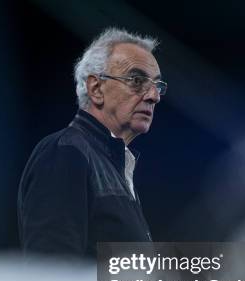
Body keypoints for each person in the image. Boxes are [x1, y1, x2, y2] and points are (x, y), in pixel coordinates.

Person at [18, 27, 167, 257]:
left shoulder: (113, 164)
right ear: (96, 89)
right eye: (137, 80)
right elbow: (50, 273)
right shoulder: (65, 152)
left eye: (157, 85)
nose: (154, 96)